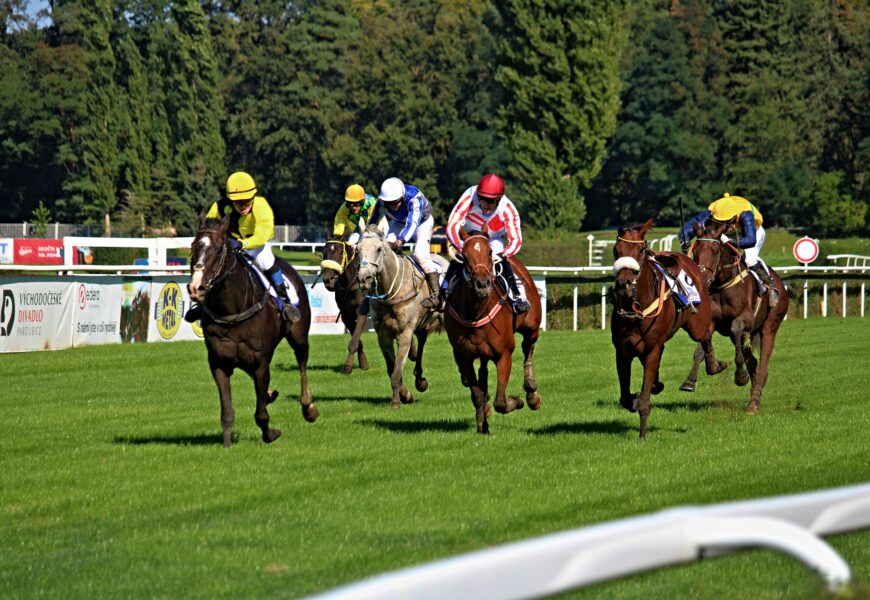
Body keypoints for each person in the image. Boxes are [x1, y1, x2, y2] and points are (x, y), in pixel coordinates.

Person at [184, 171, 301, 323]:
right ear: (230, 200)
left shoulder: (261, 206)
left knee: (266, 261)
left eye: (247, 201)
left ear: (253, 197)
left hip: (256, 245)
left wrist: (243, 244)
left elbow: (262, 235)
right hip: (230, 244)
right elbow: (209, 230)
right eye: (238, 203)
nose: (243, 206)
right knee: (213, 265)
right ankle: (203, 304)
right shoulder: (219, 207)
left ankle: (286, 302)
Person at [431, 173, 531, 313]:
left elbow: (516, 240)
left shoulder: (508, 209)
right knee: (459, 260)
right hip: (468, 235)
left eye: (491, 201)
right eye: (482, 199)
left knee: (503, 261)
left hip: (492, 238)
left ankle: (518, 296)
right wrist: (462, 248)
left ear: (499, 199)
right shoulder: (469, 196)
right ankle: (441, 294)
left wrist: (503, 254)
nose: (486, 204)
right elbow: (452, 226)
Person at [679, 192, 780, 307]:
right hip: (726, 234)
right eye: (720, 220)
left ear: (733, 216)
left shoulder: (745, 214)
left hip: (752, 233)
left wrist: (730, 242)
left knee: (749, 259)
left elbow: (750, 240)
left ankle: (770, 286)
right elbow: (687, 229)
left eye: (726, 220)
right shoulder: (714, 211)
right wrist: (685, 240)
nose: (723, 223)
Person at [367, 177, 440, 306]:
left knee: (420, 255)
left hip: (422, 222)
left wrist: (401, 240)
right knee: (385, 249)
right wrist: (367, 235)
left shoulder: (414, 198)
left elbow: (413, 223)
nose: (393, 206)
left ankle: (436, 295)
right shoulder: (382, 201)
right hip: (400, 222)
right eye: (389, 203)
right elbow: (373, 221)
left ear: (402, 196)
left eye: (395, 202)